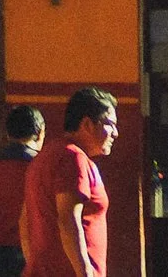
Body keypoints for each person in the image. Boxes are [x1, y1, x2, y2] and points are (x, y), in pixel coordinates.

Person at [23, 88, 118, 277]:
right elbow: (69, 220)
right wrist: (85, 274)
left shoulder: (44, 157)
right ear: (87, 124)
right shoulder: (73, 158)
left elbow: (24, 220)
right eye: (109, 124)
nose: (115, 133)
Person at [0, 105, 47, 277]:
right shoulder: (43, 167)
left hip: (5, 257)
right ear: (40, 133)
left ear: (8, 135)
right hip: (39, 253)